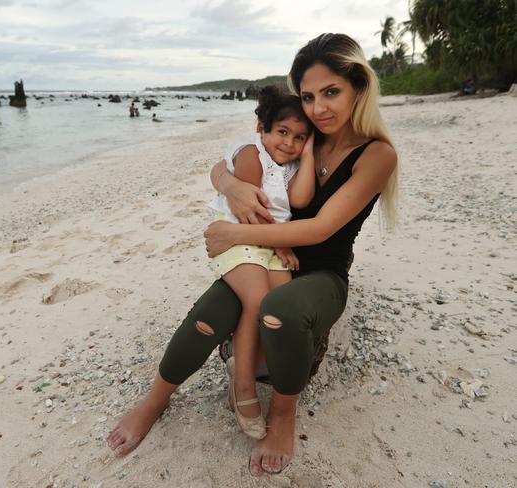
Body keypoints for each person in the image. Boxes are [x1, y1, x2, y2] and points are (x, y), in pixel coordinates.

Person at [107, 33, 398, 477]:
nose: (319, 107)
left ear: (358, 86)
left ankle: (282, 416)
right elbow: (229, 161)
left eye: (331, 92)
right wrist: (230, 187)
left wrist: (231, 232)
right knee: (208, 313)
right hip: (267, 258)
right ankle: (154, 400)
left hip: (322, 274)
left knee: (277, 309)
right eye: (309, 96)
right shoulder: (304, 139)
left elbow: (321, 228)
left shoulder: (377, 154)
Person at [206, 85, 315, 439]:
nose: (289, 143)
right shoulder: (252, 153)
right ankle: (244, 389)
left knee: (279, 310)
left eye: (300, 137)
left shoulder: (291, 165)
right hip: (239, 239)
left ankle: (243, 366)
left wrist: (309, 152)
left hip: (270, 244)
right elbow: (251, 208)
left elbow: (300, 196)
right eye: (282, 132)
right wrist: (281, 245)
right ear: (262, 128)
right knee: (256, 300)